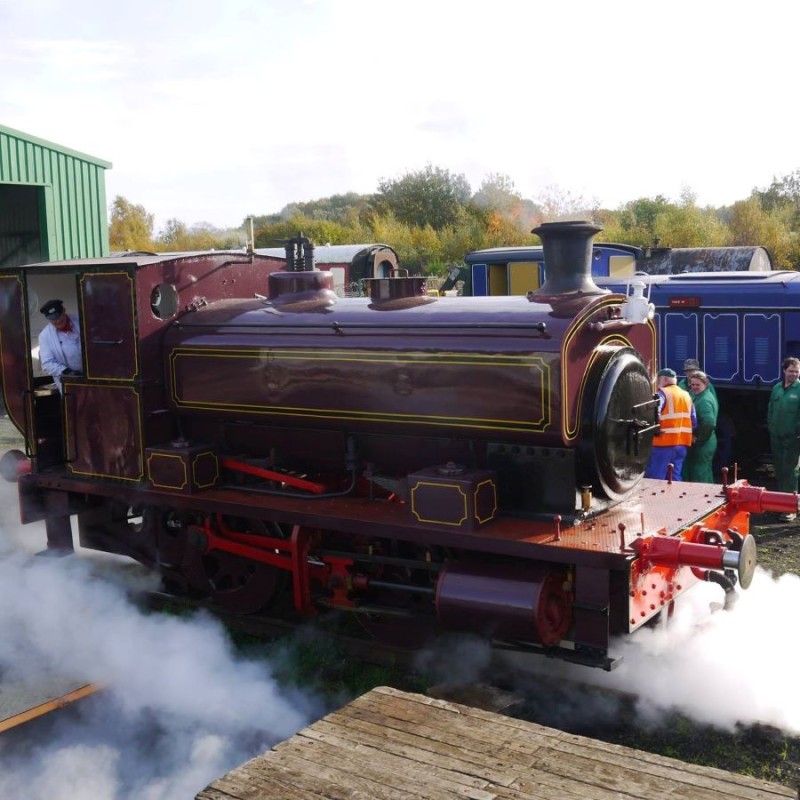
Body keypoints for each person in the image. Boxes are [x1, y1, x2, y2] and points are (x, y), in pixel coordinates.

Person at [645, 368, 696, 481]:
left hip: (663, 443)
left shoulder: (662, 393)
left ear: (665, 379)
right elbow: (693, 421)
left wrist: (654, 428)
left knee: (656, 479)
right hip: (682, 445)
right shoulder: (686, 395)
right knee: (674, 477)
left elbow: (654, 412)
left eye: (659, 380)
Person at [767, 356, 800, 521]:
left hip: (793, 438)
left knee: (791, 471)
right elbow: (771, 409)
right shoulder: (777, 388)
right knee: (779, 470)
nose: (794, 374)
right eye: (791, 371)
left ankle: (791, 508)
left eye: (797, 371)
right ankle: (780, 503)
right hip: (776, 437)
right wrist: (771, 426)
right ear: (784, 371)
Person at [38, 299, 82, 392]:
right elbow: (47, 363)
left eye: (59, 317)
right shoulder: (45, 336)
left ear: (64, 311)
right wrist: (67, 371)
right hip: (69, 382)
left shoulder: (80, 320)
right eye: (53, 319)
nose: (57, 321)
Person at [683, 371, 718, 483]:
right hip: (705, 441)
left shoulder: (704, 401)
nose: (694, 387)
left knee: (701, 473)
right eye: (692, 384)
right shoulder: (698, 395)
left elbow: (709, 422)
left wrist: (699, 440)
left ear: (705, 384)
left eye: (698, 385)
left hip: (704, 444)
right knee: (702, 471)